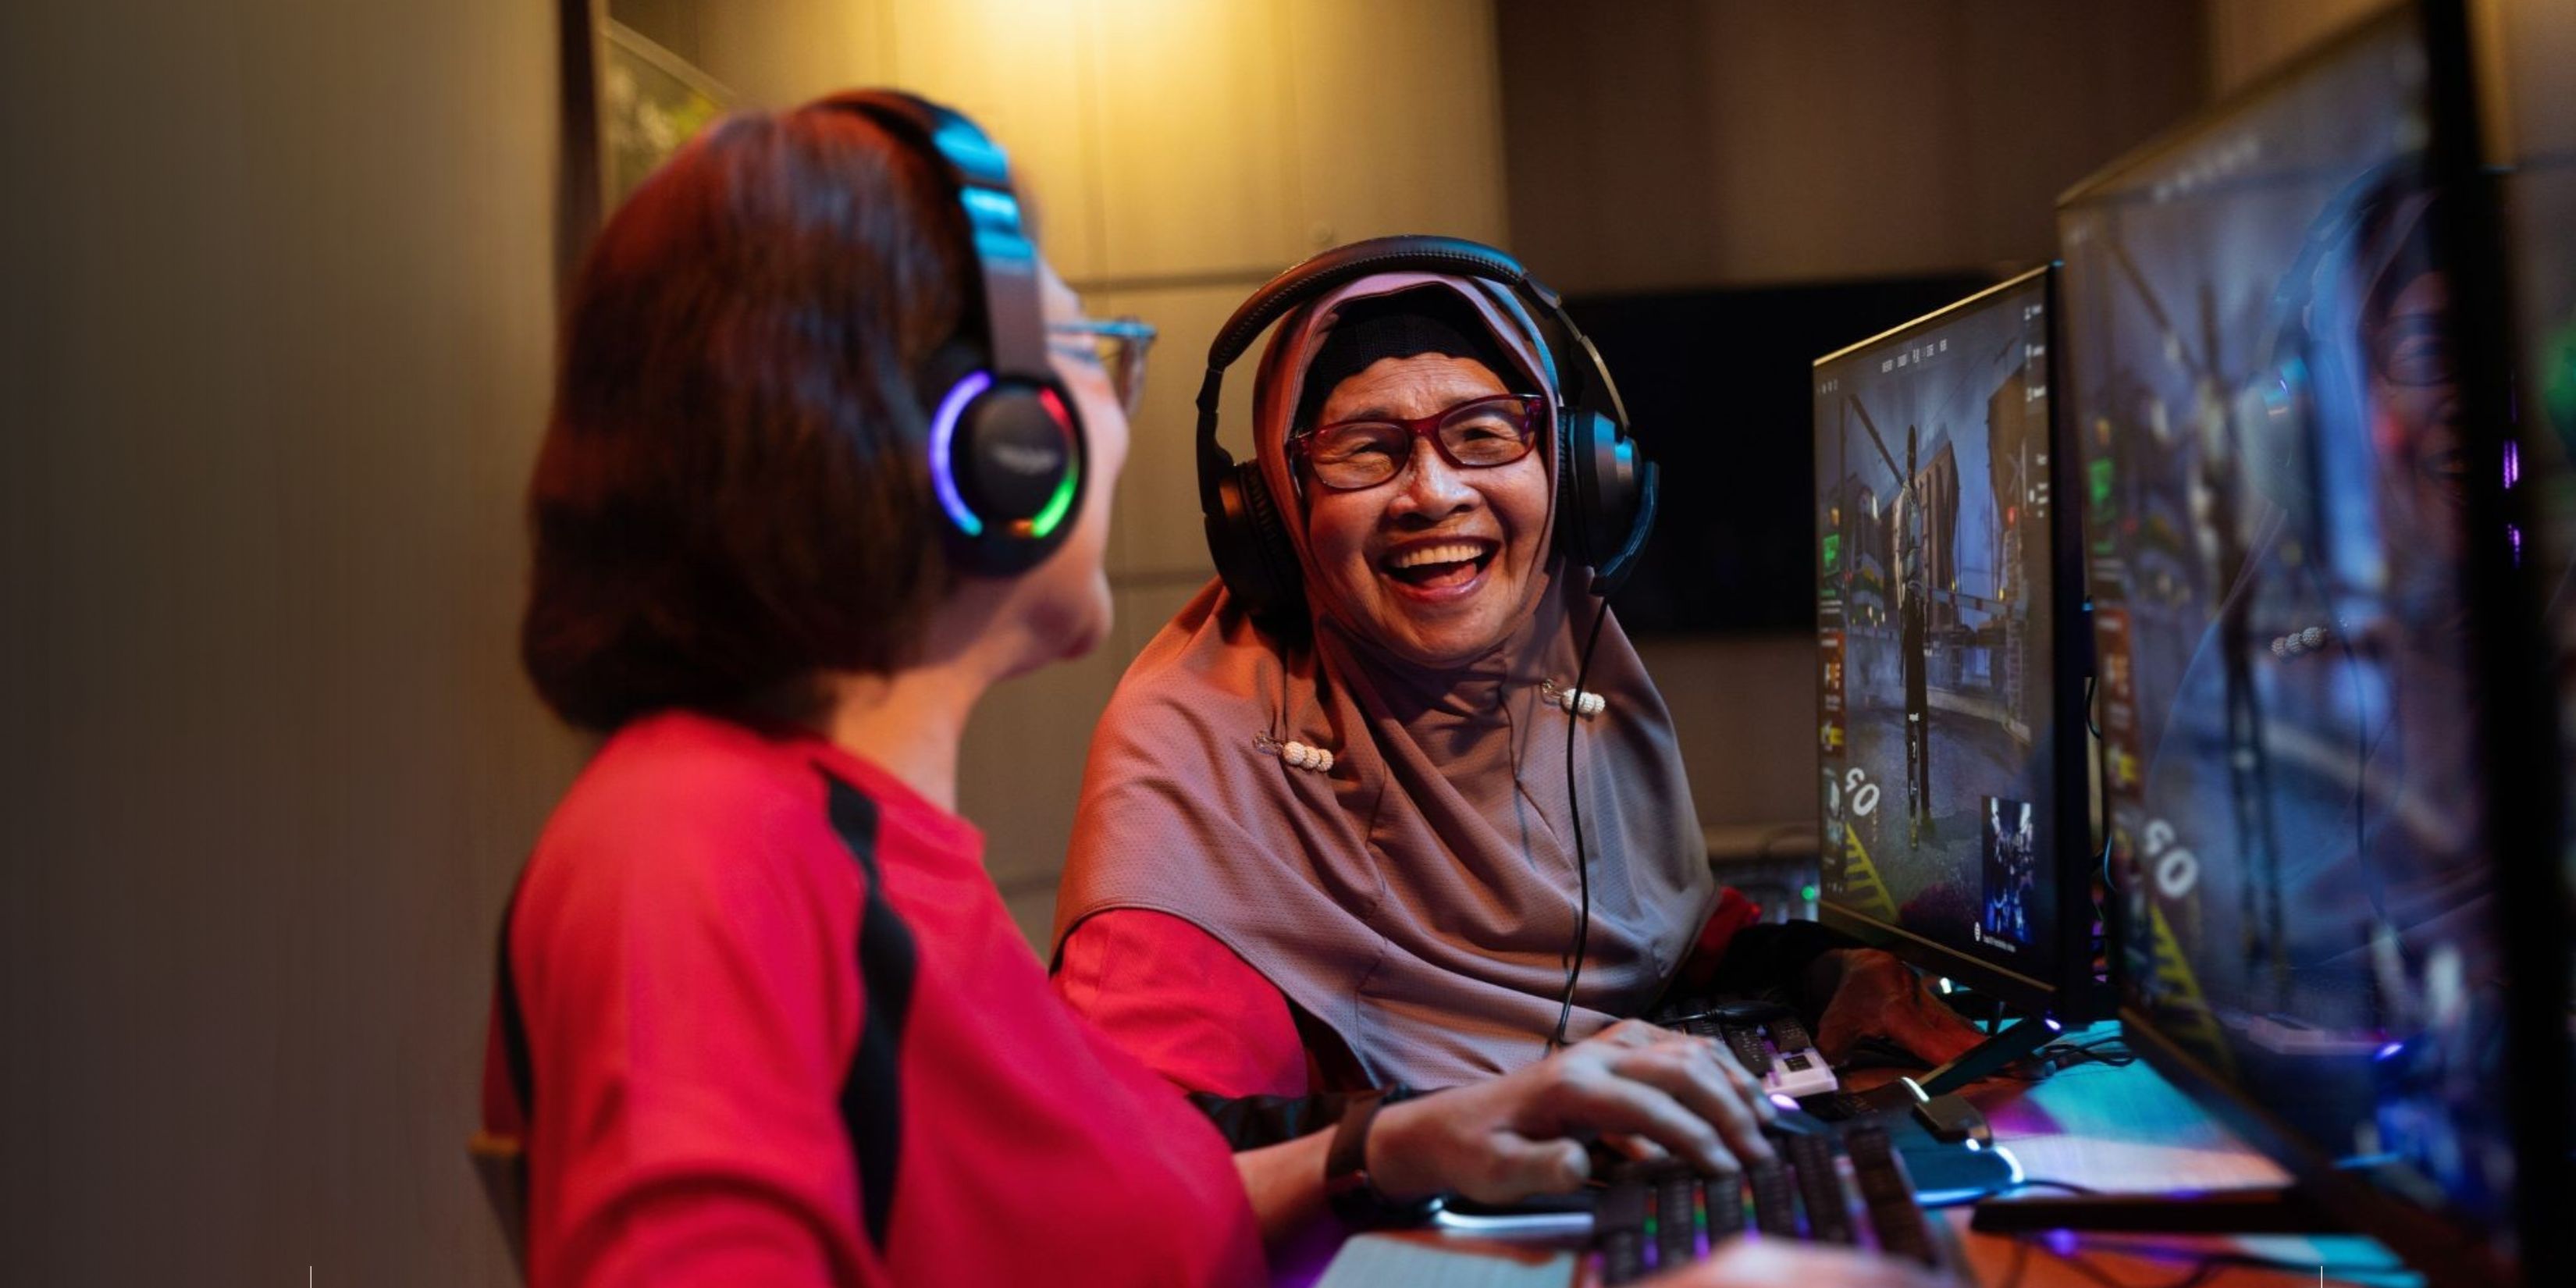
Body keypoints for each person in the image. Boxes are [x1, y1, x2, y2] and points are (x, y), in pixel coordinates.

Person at [477, 93, 1945, 1288]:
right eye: (1085, 360)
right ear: (998, 452)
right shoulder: (697, 867)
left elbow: (1084, 1236)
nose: (1107, 422)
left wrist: (1389, 1149)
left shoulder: (849, 854)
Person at [1051, 254, 1984, 1102]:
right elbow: (1156, 1161)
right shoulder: (1194, 765)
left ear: (1573, 477)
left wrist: (1827, 972)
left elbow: (1672, 951)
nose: (1432, 492)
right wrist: (1436, 1148)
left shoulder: (1571, 678)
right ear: (1280, 512)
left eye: (1485, 432)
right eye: (1363, 447)